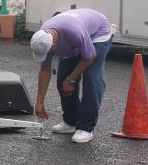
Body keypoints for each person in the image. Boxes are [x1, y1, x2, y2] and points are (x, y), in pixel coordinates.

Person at [30, 8, 113, 143]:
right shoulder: (42, 38)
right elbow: (45, 69)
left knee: (91, 78)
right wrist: (39, 102)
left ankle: (86, 128)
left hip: (98, 33)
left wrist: (72, 79)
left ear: (54, 45)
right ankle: (71, 121)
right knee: (62, 78)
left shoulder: (73, 32)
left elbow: (89, 56)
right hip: (74, 37)